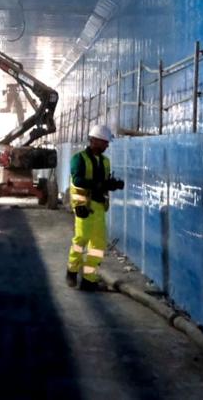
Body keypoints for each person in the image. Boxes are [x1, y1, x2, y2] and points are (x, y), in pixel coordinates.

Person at [65, 124, 123, 291]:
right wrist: (99, 185)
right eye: (105, 142)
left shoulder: (105, 162)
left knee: (98, 245)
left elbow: (103, 184)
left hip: (99, 207)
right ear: (95, 141)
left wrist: (113, 185)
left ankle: (89, 279)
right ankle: (72, 270)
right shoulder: (79, 159)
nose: (107, 145)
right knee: (81, 239)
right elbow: (77, 181)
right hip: (84, 206)